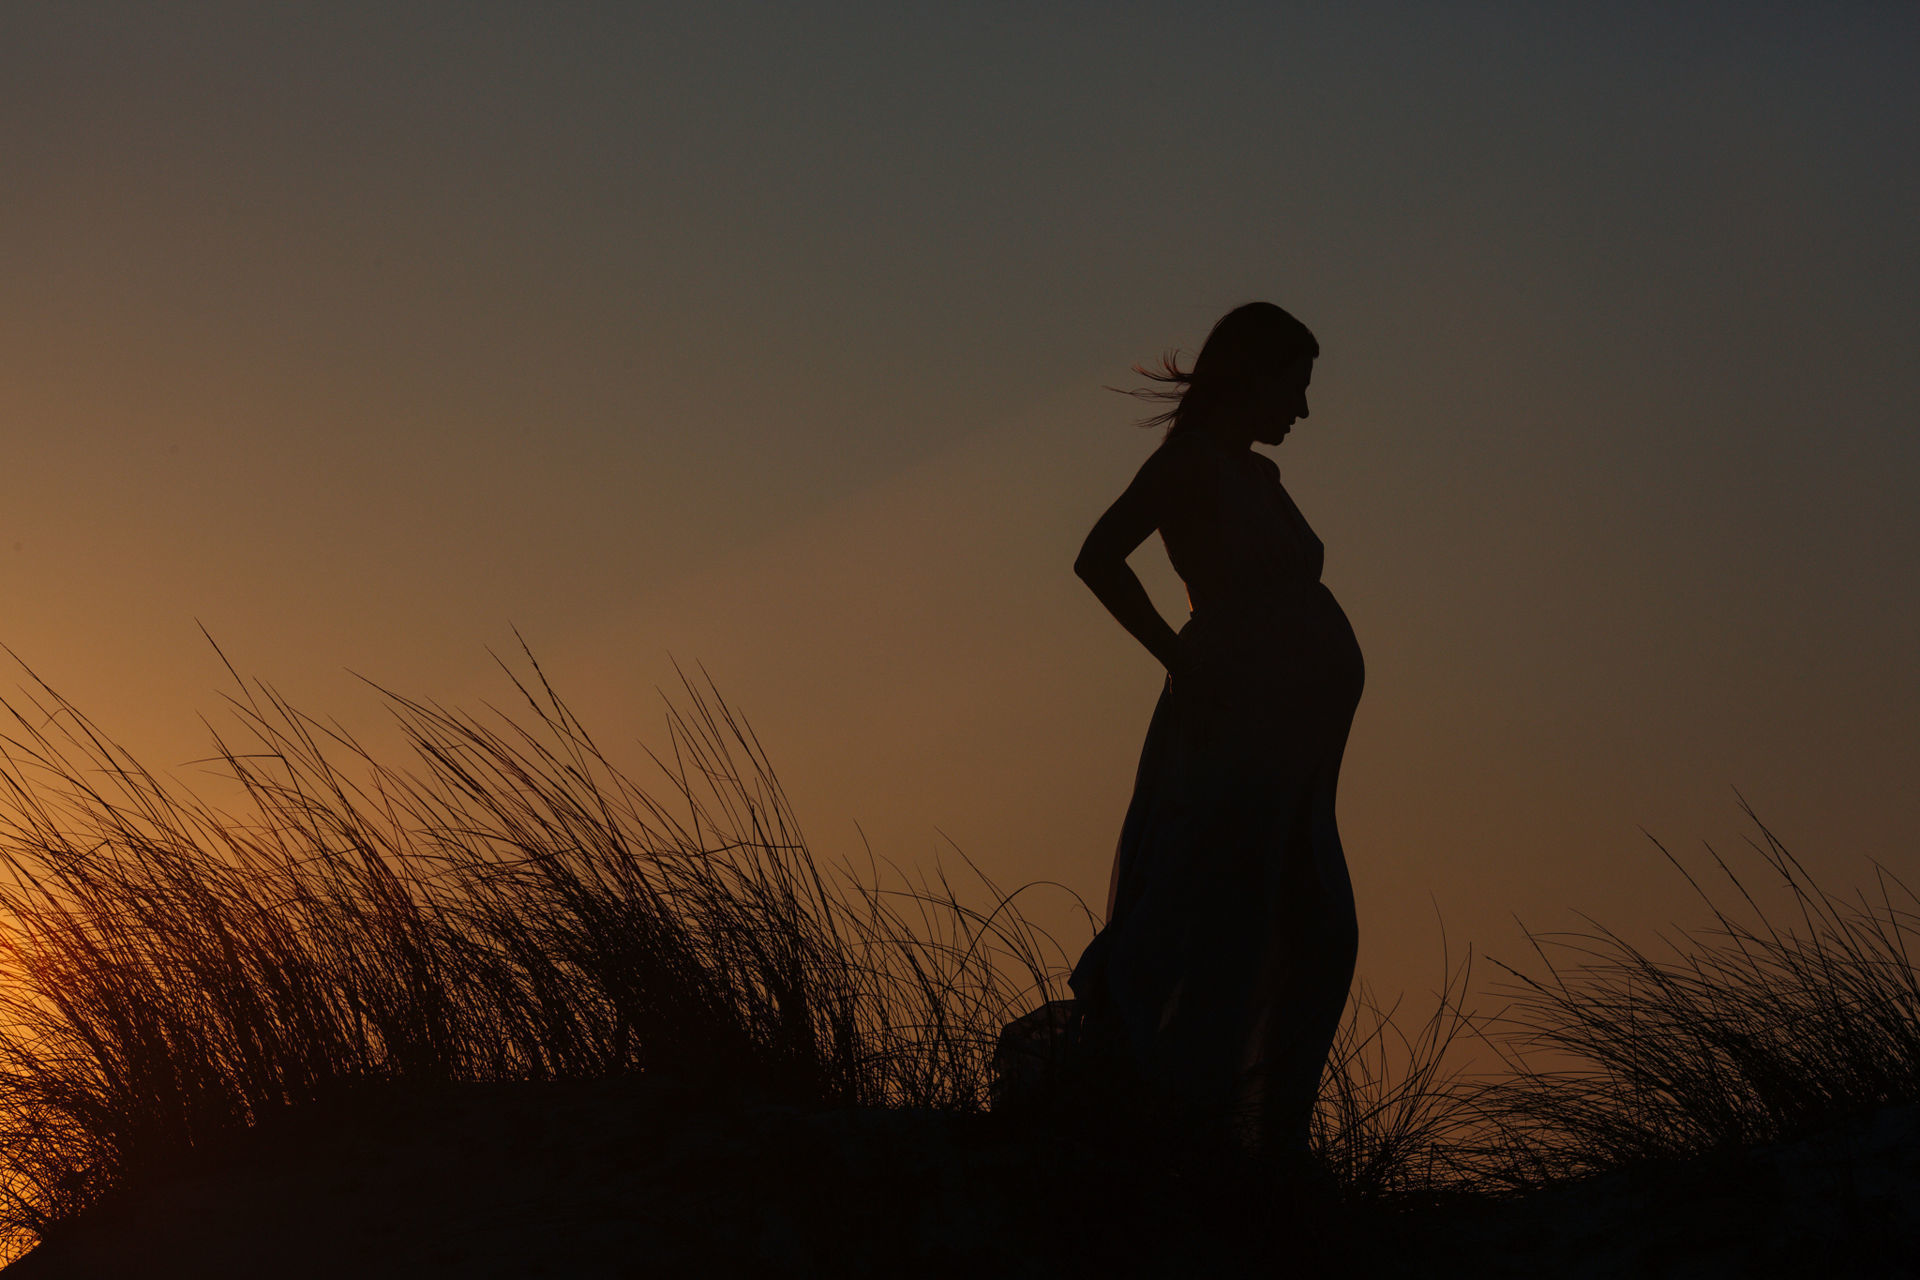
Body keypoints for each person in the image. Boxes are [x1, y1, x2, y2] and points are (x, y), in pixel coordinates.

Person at [1067, 302, 1363, 1157]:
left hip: (1295, 753)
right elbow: (1097, 556)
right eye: (1295, 387)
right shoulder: (1189, 465)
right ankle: (1174, 1130)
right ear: (1252, 374)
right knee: (1219, 919)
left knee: (1309, 926)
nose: (1302, 411)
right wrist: (1177, 657)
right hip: (1233, 733)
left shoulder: (1258, 476)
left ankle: (1262, 1137)